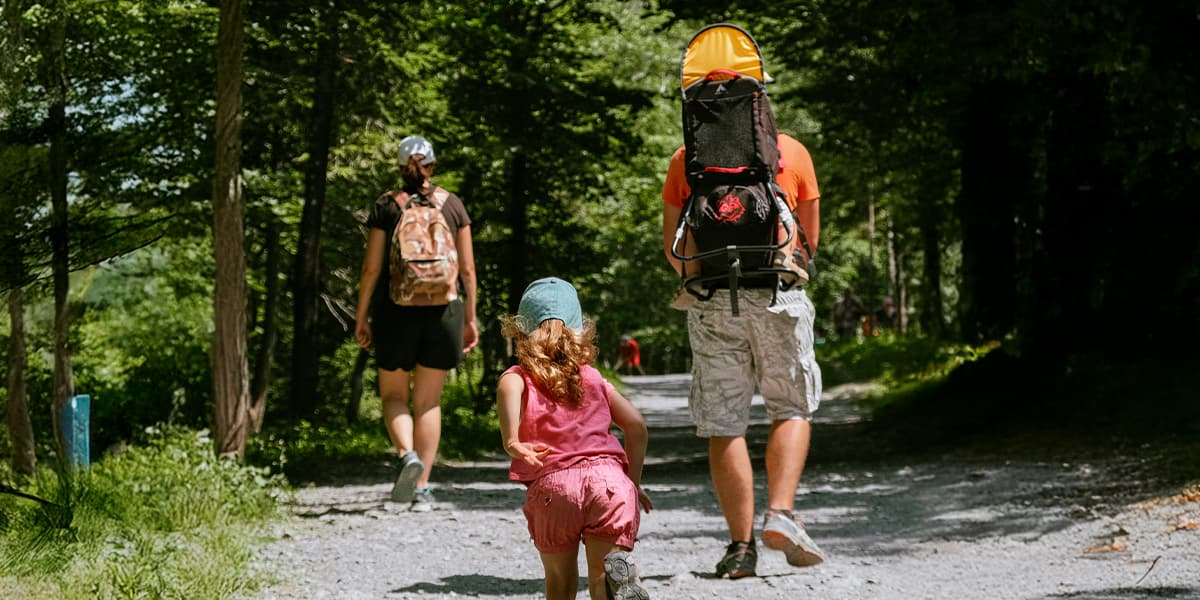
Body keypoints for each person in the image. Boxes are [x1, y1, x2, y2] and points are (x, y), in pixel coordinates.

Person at [662, 132, 827, 575]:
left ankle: (740, 548)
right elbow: (807, 240)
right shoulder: (790, 152)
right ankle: (781, 513)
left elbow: (673, 247)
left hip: (714, 300)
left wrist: (707, 277)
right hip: (780, 295)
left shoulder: (686, 160)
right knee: (791, 406)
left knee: (724, 423)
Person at [497, 277, 653, 600]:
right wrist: (633, 483)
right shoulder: (593, 378)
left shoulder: (520, 377)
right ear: (579, 330)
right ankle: (613, 582)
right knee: (600, 575)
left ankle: (608, 583)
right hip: (610, 485)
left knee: (561, 583)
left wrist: (511, 439)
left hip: (555, 488)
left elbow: (507, 388)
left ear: (520, 331)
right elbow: (636, 426)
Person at [354, 135, 478, 512]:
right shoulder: (452, 204)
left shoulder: (387, 206)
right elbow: (468, 270)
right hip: (445, 311)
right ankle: (422, 487)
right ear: (433, 167)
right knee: (428, 402)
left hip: (396, 311)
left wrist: (362, 315)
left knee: (393, 396)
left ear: (400, 166)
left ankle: (407, 454)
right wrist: (470, 318)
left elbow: (372, 267)